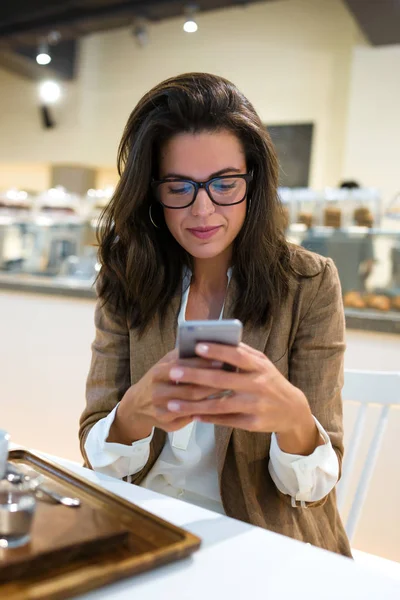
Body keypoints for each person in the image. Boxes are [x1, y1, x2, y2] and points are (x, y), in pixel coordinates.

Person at [79, 73, 351, 557]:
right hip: (148, 529)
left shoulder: (308, 284)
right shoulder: (128, 277)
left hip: (260, 544)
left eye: (224, 183)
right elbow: (98, 453)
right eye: (179, 186)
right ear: (151, 192)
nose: (202, 210)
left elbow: (311, 491)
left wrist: (292, 419)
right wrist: (133, 414)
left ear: (253, 182)